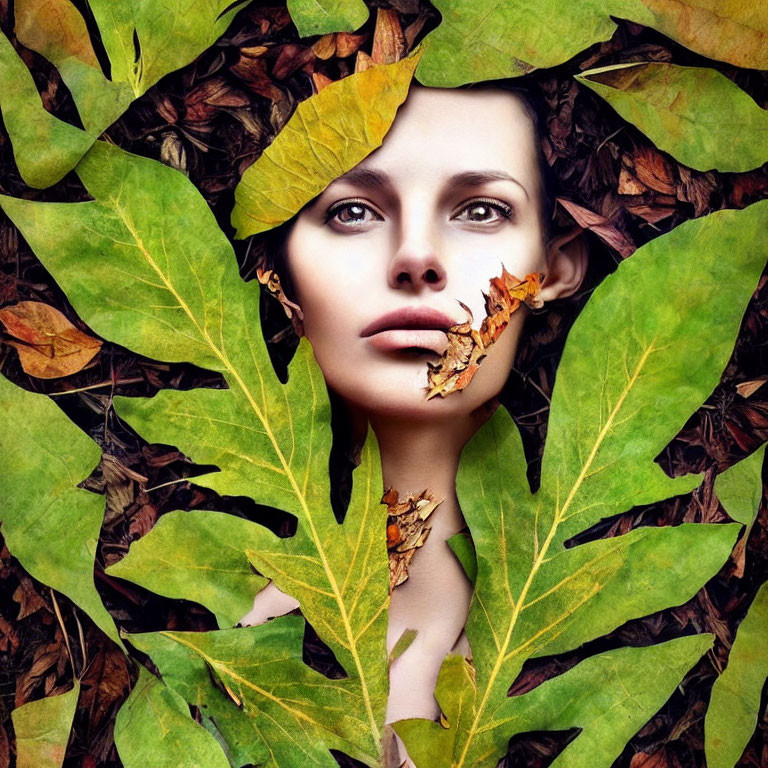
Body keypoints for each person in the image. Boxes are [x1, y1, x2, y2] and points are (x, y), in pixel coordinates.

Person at [240, 81, 588, 764]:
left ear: (554, 269)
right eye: (353, 213)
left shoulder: (600, 650)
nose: (415, 258)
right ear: (276, 273)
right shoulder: (220, 622)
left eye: (481, 210)